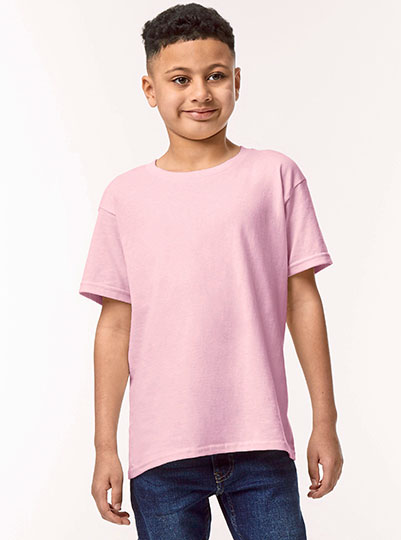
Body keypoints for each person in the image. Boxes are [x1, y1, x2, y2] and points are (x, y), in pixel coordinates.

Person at [79, 3, 343, 538]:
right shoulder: (125, 198)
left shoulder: (275, 176)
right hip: (162, 453)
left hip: (260, 441)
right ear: (151, 89)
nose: (200, 93)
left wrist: (325, 420)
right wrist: (105, 446)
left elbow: (302, 300)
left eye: (215, 76)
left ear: (237, 82)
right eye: (180, 79)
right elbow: (115, 325)